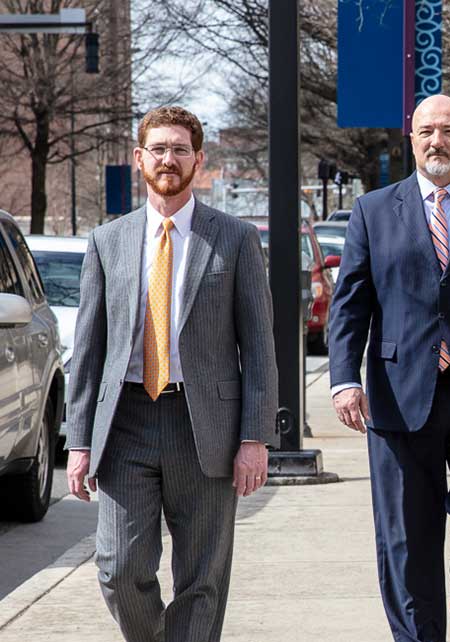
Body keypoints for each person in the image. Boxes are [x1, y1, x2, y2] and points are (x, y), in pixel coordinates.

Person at [64, 106, 278, 642]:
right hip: (127, 423)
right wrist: (79, 439)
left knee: (202, 578)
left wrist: (255, 436)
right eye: (158, 149)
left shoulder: (233, 238)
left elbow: (258, 347)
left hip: (204, 423)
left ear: (199, 161)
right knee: (118, 569)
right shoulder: (107, 242)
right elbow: (88, 349)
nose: (169, 158)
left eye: (180, 149)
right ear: (139, 159)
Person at [327, 94, 450, 642]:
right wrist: (345, 378)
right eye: (426, 132)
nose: (436, 140)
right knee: (405, 539)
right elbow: (350, 302)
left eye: (448, 131)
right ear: (411, 140)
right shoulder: (374, 211)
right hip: (398, 397)